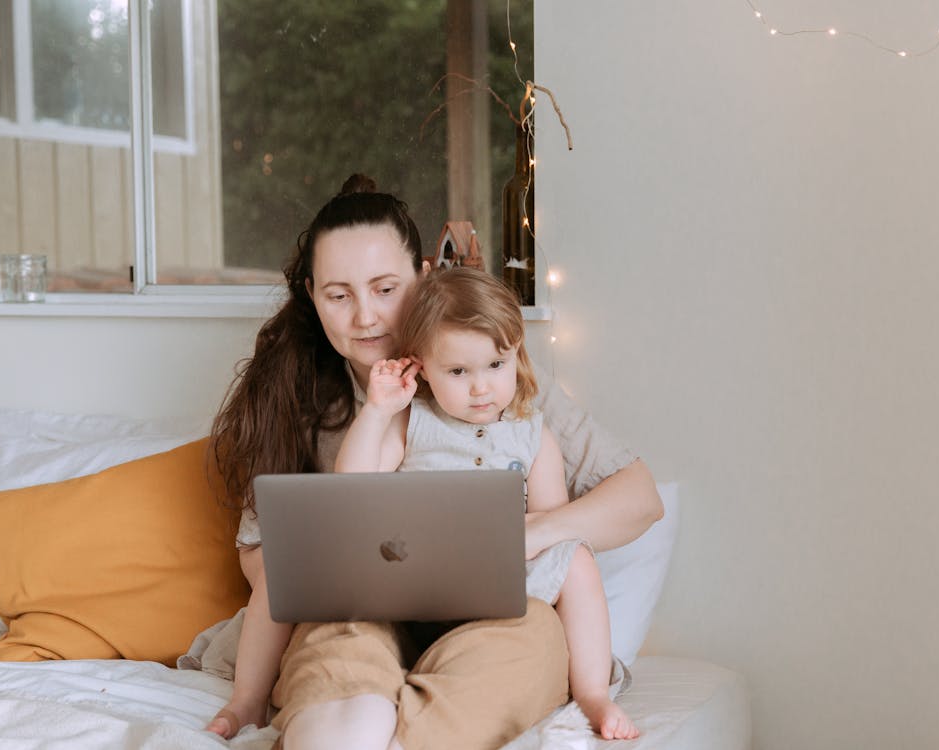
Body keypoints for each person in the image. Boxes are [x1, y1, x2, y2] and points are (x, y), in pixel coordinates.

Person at [205, 174, 663, 749]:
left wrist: (534, 532)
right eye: (338, 295)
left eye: (385, 289)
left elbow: (641, 498)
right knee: (340, 650)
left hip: (495, 609)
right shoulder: (293, 395)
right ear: (311, 294)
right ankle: (340, 729)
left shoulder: (497, 379)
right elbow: (261, 555)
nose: (365, 317)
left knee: (527, 640)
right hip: (358, 606)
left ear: (422, 279)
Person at [334, 266, 640, 740]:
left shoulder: (532, 434)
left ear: (515, 354)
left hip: (502, 583)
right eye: (458, 372)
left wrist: (514, 541)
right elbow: (350, 488)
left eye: (495, 366)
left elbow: (550, 520)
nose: (481, 387)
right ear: (422, 369)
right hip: (421, 579)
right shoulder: (410, 423)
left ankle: (594, 692)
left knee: (576, 558)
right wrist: (376, 411)